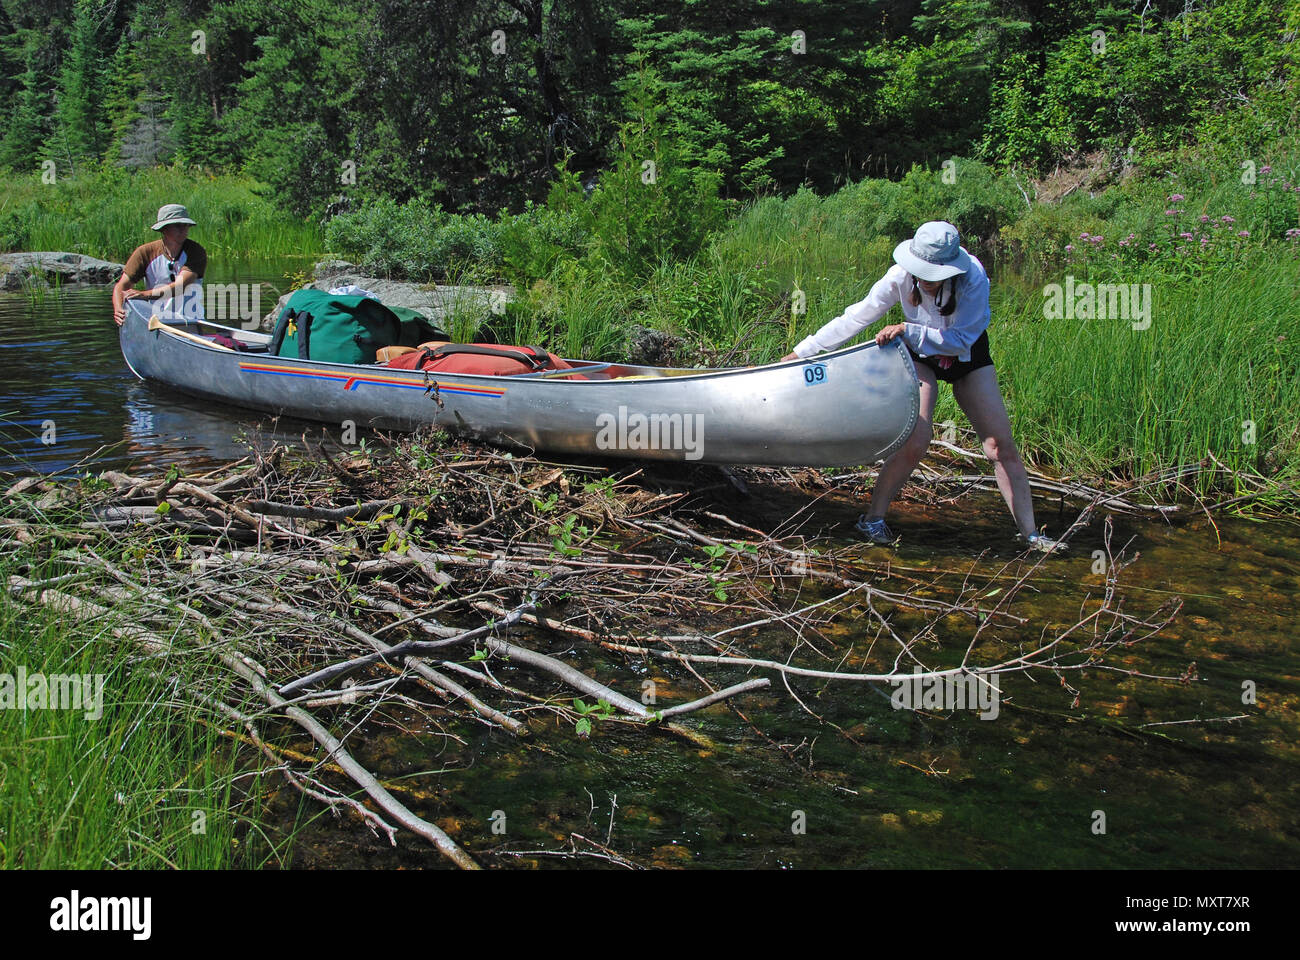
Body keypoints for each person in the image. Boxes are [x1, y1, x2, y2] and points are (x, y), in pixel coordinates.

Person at [782, 220, 1066, 553]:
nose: (929, 280)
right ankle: (872, 519)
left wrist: (908, 329)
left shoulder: (973, 277)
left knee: (999, 445)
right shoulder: (899, 276)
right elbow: (857, 317)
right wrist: (803, 351)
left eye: (937, 274)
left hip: (964, 352)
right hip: (919, 355)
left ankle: (1031, 535)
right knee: (916, 439)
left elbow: (961, 340)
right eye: (925, 272)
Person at [112, 204, 206, 326]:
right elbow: (121, 286)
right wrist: (118, 309)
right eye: (178, 226)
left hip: (192, 321)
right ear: (164, 229)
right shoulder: (144, 253)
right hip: (158, 323)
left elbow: (179, 286)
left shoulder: (195, 251)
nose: (183, 230)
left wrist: (144, 295)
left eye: (186, 225)